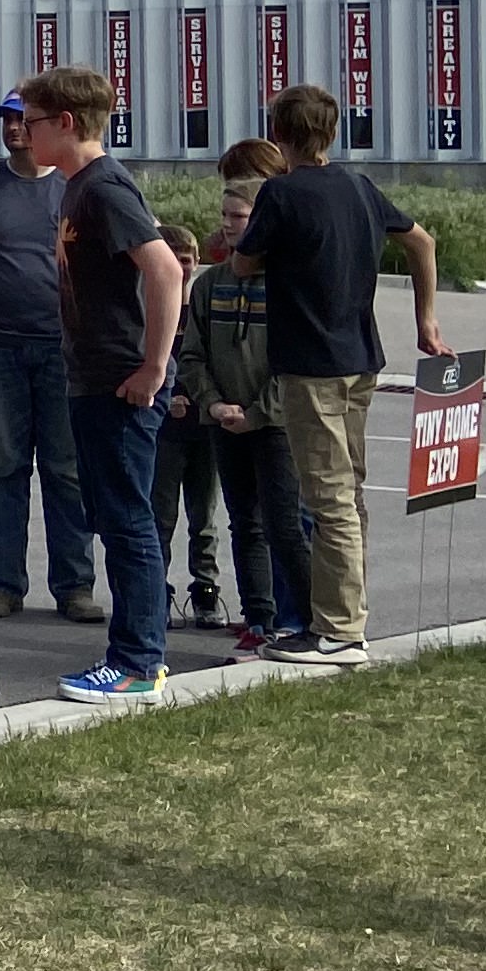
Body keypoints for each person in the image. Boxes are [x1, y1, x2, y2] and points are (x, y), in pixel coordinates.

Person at [230, 83, 445, 670]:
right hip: (360, 358)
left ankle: (341, 631)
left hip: (310, 364)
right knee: (348, 491)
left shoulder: (280, 193)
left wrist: (247, 251)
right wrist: (425, 319)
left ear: (279, 133)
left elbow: (244, 261)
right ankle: (342, 615)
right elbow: (421, 242)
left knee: (327, 499)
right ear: (332, 131)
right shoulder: (359, 186)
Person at [12, 66, 186, 705]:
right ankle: (134, 652)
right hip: (90, 377)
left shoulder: (105, 189)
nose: (21, 133)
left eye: (31, 122)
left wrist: (153, 366)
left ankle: (139, 659)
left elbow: (165, 272)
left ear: (65, 123)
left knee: (126, 521)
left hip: (120, 380)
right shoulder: (74, 187)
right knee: (112, 516)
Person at [0, 94, 99, 625]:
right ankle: (4, 584)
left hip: (64, 351)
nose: (14, 129)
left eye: (22, 120)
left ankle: (75, 585)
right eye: (6, 121)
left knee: (65, 470)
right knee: (6, 467)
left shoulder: (77, 186)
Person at [176, 164, 311, 653]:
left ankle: (310, 620)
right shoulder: (210, 285)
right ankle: (259, 617)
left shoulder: (286, 282)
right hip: (223, 422)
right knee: (244, 523)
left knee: (285, 524)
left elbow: (295, 363)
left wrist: (255, 413)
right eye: (225, 215)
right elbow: (192, 354)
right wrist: (213, 405)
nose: (229, 224)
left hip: (274, 424)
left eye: (240, 215)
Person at [150, 220, 226, 626]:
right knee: (161, 515)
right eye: (175, 260)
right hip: (166, 432)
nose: (182, 268)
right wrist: (167, 396)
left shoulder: (201, 308)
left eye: (188, 260)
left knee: (205, 516)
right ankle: (156, 589)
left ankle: (206, 587)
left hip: (204, 428)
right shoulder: (152, 307)